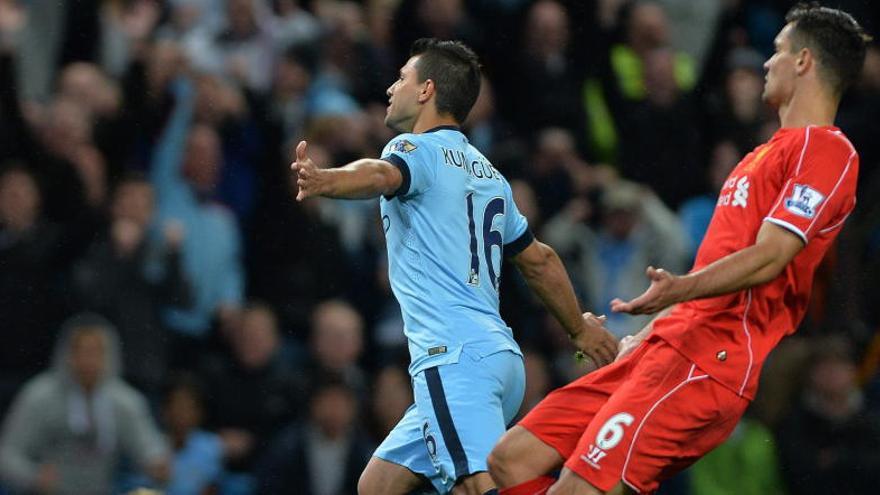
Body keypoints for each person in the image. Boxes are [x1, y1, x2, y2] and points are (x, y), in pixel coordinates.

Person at [488, 4, 870, 494]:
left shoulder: (828, 151)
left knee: (579, 489)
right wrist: (653, 330)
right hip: (666, 344)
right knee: (510, 460)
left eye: (776, 52)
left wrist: (678, 289)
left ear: (803, 62)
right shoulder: (760, 155)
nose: (766, 63)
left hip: (710, 361)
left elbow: (772, 255)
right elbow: (723, 262)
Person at [292, 37, 617, 495]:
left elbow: (382, 174)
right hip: (500, 360)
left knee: (477, 486)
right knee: (377, 485)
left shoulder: (414, 149)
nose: (390, 87)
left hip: (453, 359)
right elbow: (539, 259)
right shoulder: (489, 174)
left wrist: (328, 179)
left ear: (426, 90)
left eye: (401, 78)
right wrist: (579, 330)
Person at [0, 314, 170, 495]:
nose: (88, 361)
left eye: (97, 352)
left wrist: (157, 463)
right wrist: (32, 476)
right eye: (82, 352)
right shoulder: (39, 396)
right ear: (67, 354)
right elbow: (6, 455)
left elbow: (149, 446)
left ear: (110, 355)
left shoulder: (123, 401)